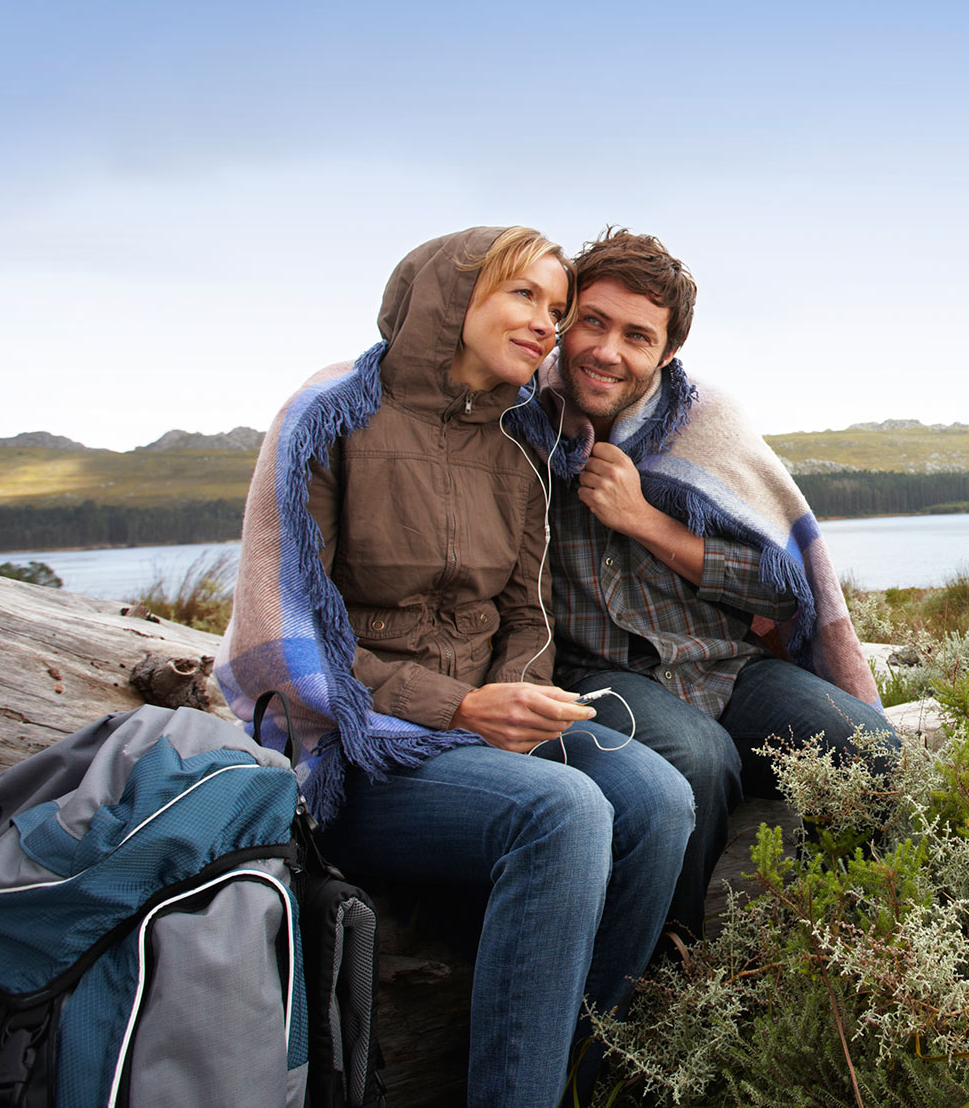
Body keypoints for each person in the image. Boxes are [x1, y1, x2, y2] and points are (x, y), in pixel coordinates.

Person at [215, 226, 693, 1108]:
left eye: (555, 308)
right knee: (567, 813)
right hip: (360, 751)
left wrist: (516, 695)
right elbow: (288, 642)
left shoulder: (524, 440)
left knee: (662, 801)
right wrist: (464, 706)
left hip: (481, 732)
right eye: (524, 297)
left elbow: (526, 609)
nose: (545, 324)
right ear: (452, 294)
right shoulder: (328, 416)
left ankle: (577, 1078)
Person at [534, 228, 899, 938]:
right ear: (565, 318)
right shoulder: (524, 419)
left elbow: (780, 588)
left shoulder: (702, 421)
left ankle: (841, 949)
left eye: (637, 336)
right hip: (596, 671)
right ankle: (671, 980)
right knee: (699, 760)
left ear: (667, 352)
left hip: (725, 666)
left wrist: (647, 520)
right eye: (594, 321)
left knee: (871, 749)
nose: (608, 350)